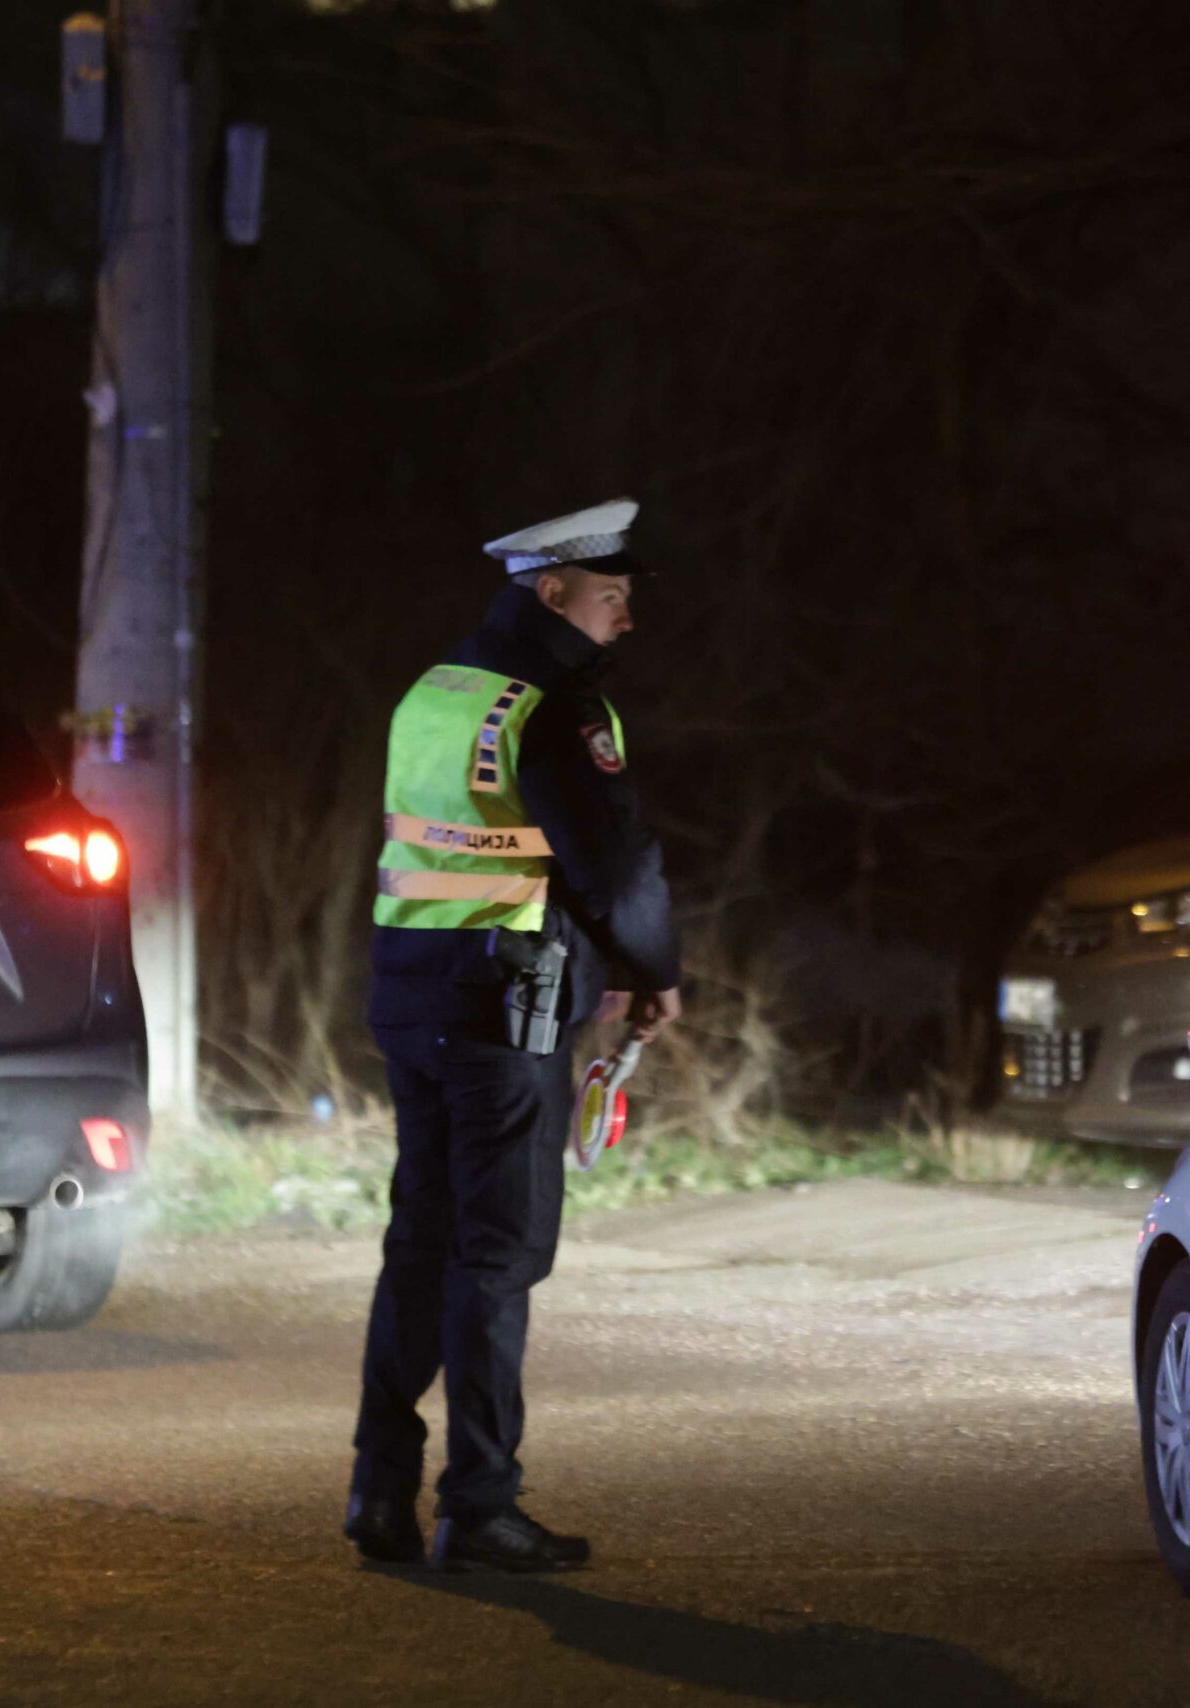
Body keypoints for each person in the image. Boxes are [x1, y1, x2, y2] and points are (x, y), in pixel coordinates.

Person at [343, 497, 683, 1573]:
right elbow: (612, 862)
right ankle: (481, 1504)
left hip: (413, 995)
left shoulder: (437, 690)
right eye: (611, 598)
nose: (624, 620)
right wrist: (651, 970)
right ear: (554, 594)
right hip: (503, 1010)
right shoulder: (553, 705)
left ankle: (378, 1490)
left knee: (420, 1247)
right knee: (497, 1260)